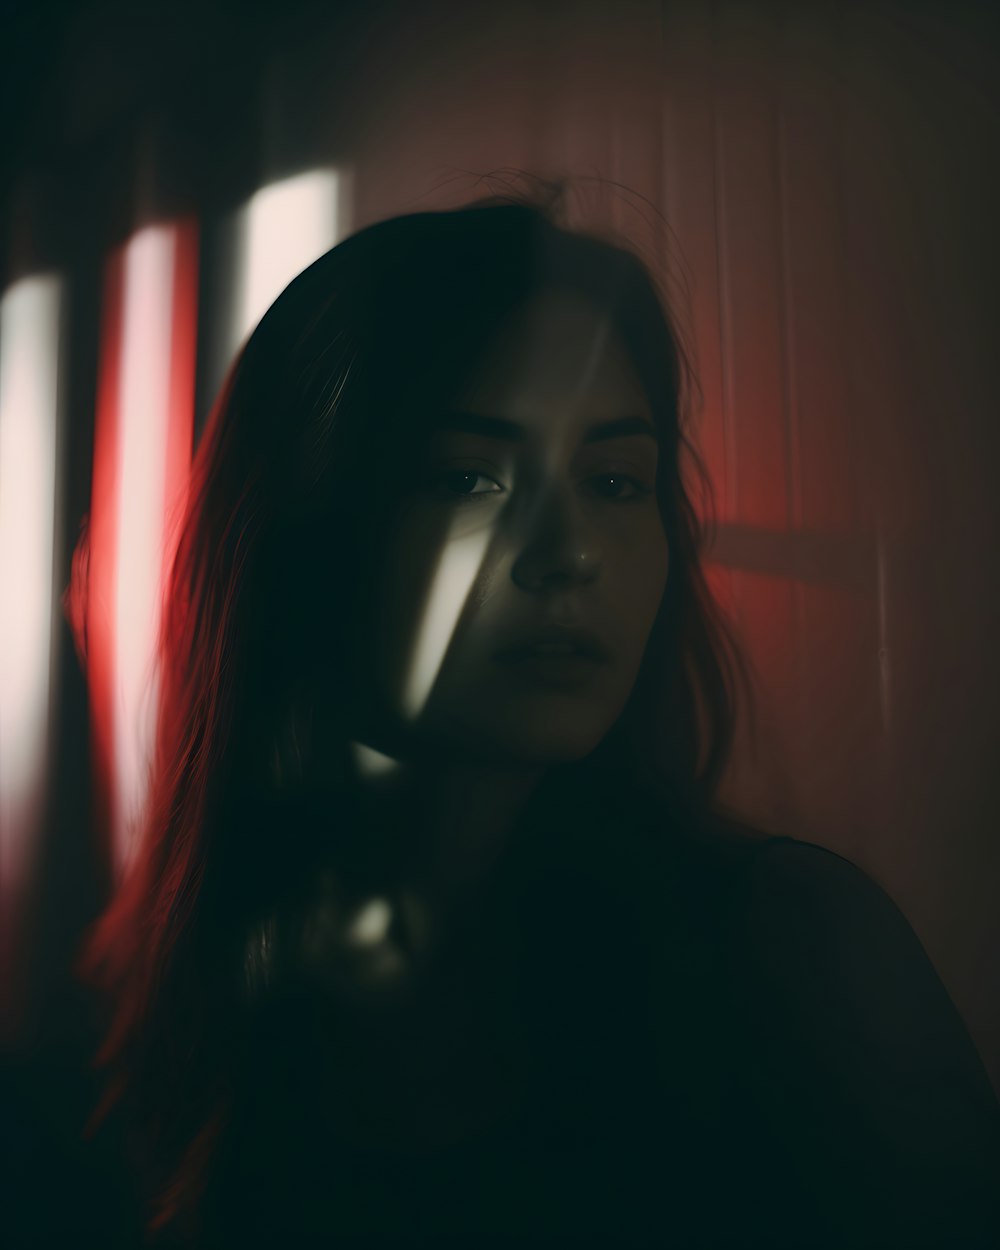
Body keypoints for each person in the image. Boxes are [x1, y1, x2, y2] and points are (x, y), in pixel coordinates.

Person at [71, 195, 999, 1247]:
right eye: (468, 474)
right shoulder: (186, 1001)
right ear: (304, 532)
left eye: (613, 479)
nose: (568, 550)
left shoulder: (791, 952)